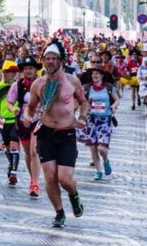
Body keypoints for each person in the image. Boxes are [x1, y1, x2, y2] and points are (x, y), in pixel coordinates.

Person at [23, 39, 88, 228]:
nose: (49, 62)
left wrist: (82, 118)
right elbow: (31, 108)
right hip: (45, 133)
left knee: (65, 179)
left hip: (66, 133)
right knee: (50, 176)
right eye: (47, 59)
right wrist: (27, 117)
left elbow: (83, 102)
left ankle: (73, 195)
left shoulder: (71, 80)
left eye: (53, 58)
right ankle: (59, 212)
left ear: (61, 60)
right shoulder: (38, 83)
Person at [7, 56, 42, 197]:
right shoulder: (17, 85)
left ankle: (35, 183)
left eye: (31, 68)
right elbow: (9, 102)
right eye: (26, 68)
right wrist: (13, 109)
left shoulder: (42, 84)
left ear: (36, 70)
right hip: (22, 121)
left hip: (38, 121)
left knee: (34, 151)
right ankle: (32, 178)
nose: (28, 71)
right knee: (28, 153)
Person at [78, 67, 119, 180]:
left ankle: (106, 161)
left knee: (102, 148)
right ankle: (98, 171)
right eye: (93, 74)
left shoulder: (109, 88)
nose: (95, 76)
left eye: (97, 74)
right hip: (91, 120)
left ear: (102, 75)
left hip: (105, 120)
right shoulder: (87, 88)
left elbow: (117, 99)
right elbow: (81, 102)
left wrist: (114, 106)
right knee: (93, 147)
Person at [0, 61, 19, 185]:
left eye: (9, 72)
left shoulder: (19, 86)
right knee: (7, 146)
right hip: (3, 121)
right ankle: (10, 164)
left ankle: (14, 171)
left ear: (14, 73)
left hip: (16, 120)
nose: (6, 74)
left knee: (14, 145)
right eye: (4, 72)